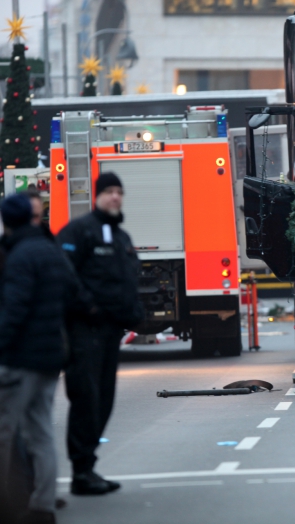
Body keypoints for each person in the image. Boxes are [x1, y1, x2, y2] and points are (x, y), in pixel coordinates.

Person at [57, 173, 144, 496]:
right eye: (109, 191)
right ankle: (81, 471)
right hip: (84, 331)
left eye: (119, 192)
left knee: (104, 400)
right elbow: (64, 274)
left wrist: (135, 313)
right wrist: (89, 308)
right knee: (86, 398)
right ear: (97, 196)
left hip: (110, 333)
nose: (115, 197)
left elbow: (125, 281)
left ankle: (89, 467)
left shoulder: (120, 237)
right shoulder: (80, 232)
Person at [0, 195, 76, 524]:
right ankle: (43, 504)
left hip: (20, 359)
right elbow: (73, 294)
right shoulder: (51, 250)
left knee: (6, 432)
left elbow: (14, 310)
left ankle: (8, 502)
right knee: (41, 431)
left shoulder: (19, 256)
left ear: (8, 222)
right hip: (50, 358)